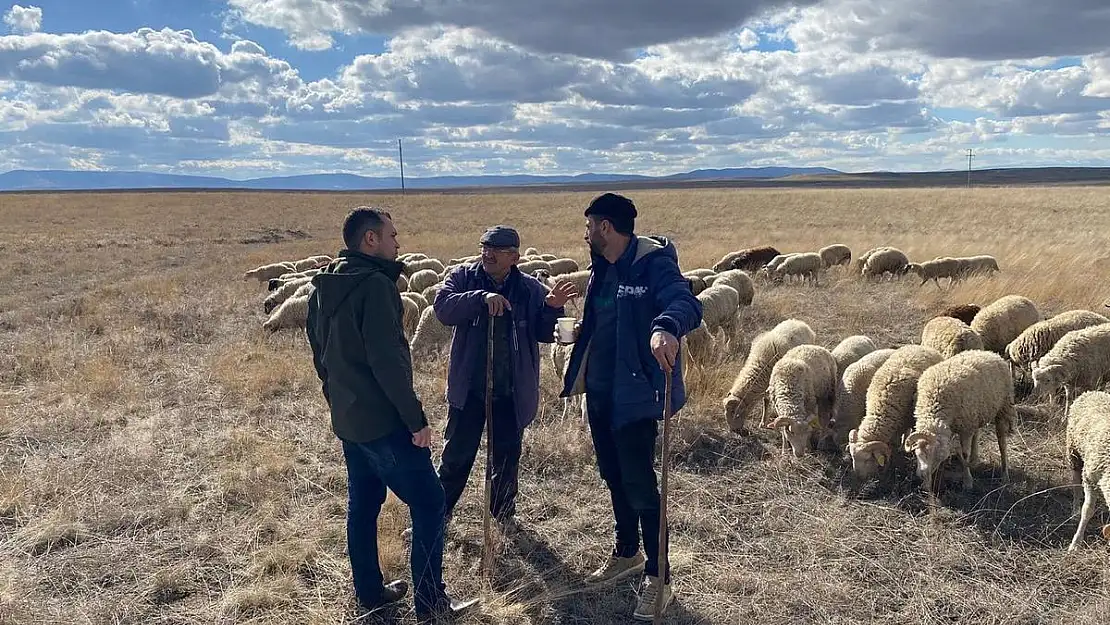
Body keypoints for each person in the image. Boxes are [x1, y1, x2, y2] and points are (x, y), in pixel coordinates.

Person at [305, 206, 477, 621]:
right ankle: (431, 603)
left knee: (363, 501)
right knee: (430, 500)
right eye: (392, 236)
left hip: (349, 419)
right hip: (384, 422)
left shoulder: (323, 287)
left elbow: (319, 352)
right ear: (370, 240)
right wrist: (416, 420)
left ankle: (369, 590)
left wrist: (336, 397)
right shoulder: (376, 288)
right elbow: (388, 363)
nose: (398, 243)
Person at [558, 193, 703, 622]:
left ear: (606, 228)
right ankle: (626, 552)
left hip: (637, 395)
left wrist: (666, 326)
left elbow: (686, 302)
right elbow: (609, 317)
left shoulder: (653, 262)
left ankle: (660, 579)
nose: (585, 235)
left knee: (641, 485)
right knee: (612, 475)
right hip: (600, 392)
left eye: (589, 227)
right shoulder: (601, 269)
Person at [431, 225, 578, 531]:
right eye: (484, 247)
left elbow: (542, 333)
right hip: (469, 387)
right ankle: (438, 514)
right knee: (456, 455)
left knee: (507, 459)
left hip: (510, 389)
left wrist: (551, 309)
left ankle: (503, 516)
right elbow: (443, 309)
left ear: (514, 257)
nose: (487, 254)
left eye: (496, 250)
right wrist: (480, 298)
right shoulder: (463, 278)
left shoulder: (529, 289)